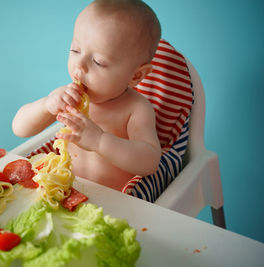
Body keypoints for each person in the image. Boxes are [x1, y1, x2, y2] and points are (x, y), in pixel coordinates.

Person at [12, 0, 162, 191]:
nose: (79, 65)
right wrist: (47, 105)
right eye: (75, 50)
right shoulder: (68, 97)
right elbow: (19, 128)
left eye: (98, 62)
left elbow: (149, 161)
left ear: (136, 75)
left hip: (113, 201)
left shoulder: (135, 109)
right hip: (63, 189)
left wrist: (99, 141)